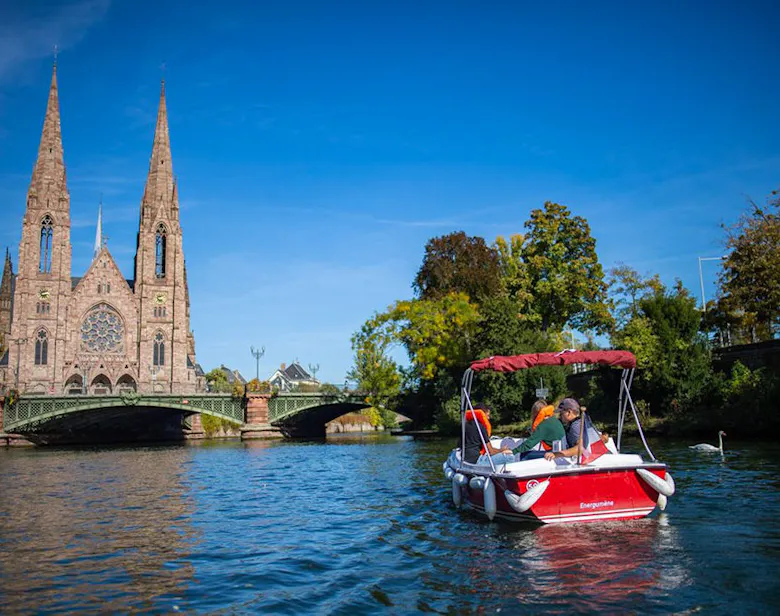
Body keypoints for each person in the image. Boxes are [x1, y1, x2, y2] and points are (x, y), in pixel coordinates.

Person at [543, 398, 610, 462]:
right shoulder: (582, 422)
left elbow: (580, 449)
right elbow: (603, 439)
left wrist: (557, 454)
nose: (560, 416)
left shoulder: (575, 426)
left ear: (569, 412)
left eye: (561, 413)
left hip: (583, 462)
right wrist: (604, 437)